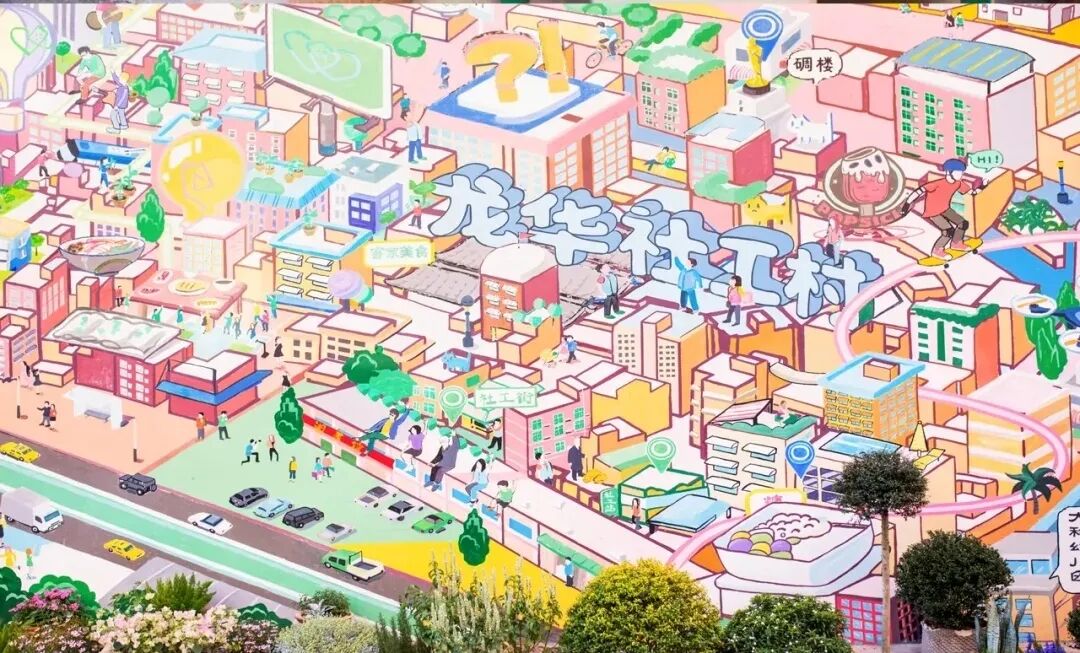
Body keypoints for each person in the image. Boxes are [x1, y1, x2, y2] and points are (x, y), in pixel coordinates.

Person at [901, 158, 979, 260]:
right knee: (948, 231)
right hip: (933, 212)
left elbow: (972, 192)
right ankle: (937, 250)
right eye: (958, 172)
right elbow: (918, 191)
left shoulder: (958, 183)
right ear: (949, 172)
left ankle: (956, 243)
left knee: (963, 223)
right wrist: (907, 204)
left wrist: (982, 186)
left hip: (945, 209)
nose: (961, 175)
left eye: (961, 173)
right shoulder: (937, 184)